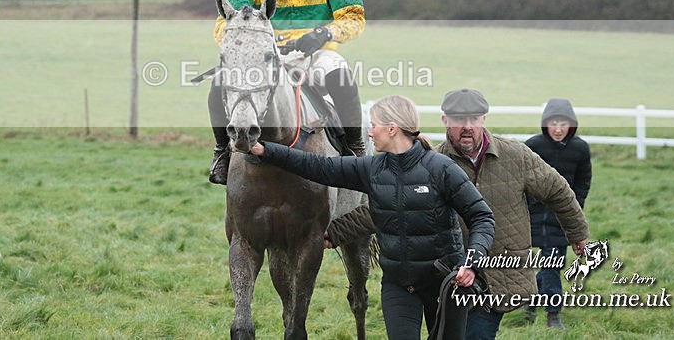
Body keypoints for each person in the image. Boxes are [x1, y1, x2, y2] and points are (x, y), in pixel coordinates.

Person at [249, 95, 495, 340]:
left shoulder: (442, 168)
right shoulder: (372, 169)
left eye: (374, 125)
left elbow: (482, 217)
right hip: (399, 285)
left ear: (392, 128)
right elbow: (318, 167)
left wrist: (471, 263)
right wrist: (265, 150)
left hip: (445, 283)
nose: (369, 133)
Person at [208, 0, 366, 185]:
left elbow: (355, 17)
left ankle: (354, 148)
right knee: (219, 82)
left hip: (316, 53)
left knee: (340, 74)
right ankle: (222, 153)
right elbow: (227, 23)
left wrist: (325, 32)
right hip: (266, 55)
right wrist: (254, 48)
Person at [434, 88, 590, 340]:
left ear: (484, 119)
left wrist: (577, 233)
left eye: (474, 118)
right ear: (444, 121)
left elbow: (557, 190)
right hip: (451, 273)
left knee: (477, 335)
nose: (467, 126)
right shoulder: (434, 162)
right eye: (458, 119)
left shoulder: (515, 156)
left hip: (499, 273)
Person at [523, 98, 592, 329]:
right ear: (545, 124)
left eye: (564, 123)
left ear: (572, 124)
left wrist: (574, 207)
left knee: (552, 266)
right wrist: (529, 204)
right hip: (533, 216)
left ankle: (541, 305)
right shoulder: (532, 145)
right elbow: (520, 179)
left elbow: (583, 181)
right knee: (549, 268)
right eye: (553, 123)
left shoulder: (580, 148)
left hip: (561, 219)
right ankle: (551, 313)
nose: (559, 128)